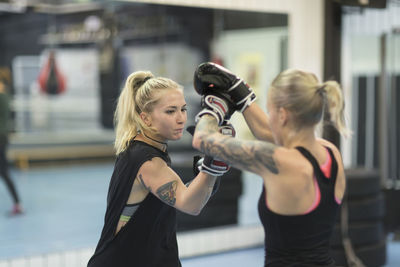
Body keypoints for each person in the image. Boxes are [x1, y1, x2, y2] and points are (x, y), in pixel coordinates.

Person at [191, 62, 350, 266]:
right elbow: (269, 132)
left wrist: (214, 109)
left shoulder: (279, 161)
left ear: (283, 116)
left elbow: (202, 139)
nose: (270, 118)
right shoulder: (331, 153)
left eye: (270, 112)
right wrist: (241, 96)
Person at [87, 71, 234, 267]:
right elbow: (191, 205)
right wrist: (211, 166)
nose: (181, 118)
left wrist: (207, 174)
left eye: (183, 109)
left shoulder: (143, 148)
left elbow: (174, 195)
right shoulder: (148, 161)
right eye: (170, 111)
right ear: (145, 118)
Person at [0, 67, 23, 216]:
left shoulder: (2, 97)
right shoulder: (6, 96)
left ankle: (17, 204)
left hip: (0, 137)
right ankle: (17, 203)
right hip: (3, 137)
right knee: (4, 171)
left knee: (4, 171)